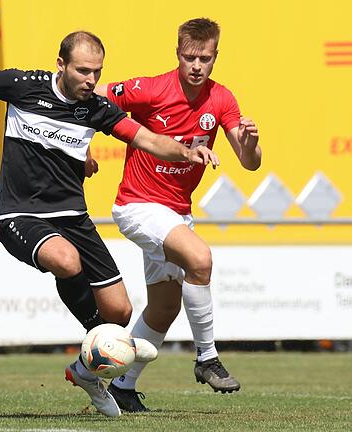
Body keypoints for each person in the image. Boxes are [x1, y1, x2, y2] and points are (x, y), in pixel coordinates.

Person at [0, 31, 219, 417]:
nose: (91, 80)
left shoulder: (95, 108)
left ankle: (85, 369)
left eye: (97, 72)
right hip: (20, 215)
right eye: (83, 71)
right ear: (61, 65)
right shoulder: (23, 86)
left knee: (121, 312)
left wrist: (186, 150)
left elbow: (146, 139)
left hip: (73, 217)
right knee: (66, 260)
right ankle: (99, 344)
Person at [92, 18, 262, 412]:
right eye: (190, 57)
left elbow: (249, 163)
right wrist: (81, 148)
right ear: (178, 54)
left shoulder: (222, 99)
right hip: (137, 206)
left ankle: (120, 385)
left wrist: (252, 144)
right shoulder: (151, 88)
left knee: (165, 308)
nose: (197, 65)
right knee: (200, 259)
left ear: (215, 56)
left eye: (205, 58)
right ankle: (207, 357)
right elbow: (92, 97)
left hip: (175, 213)